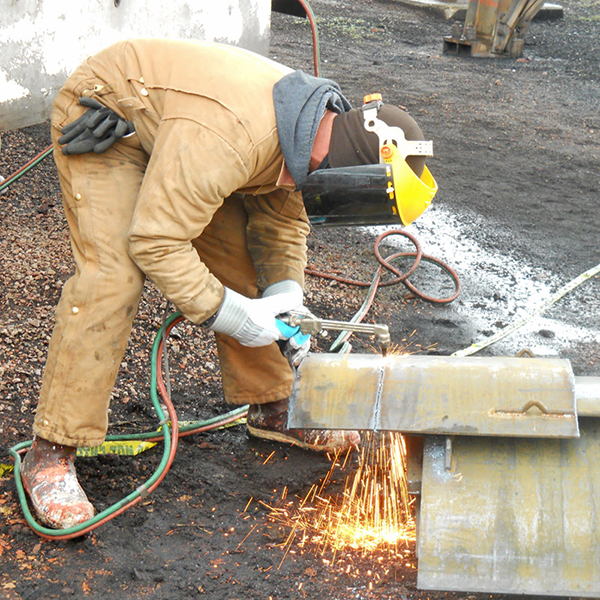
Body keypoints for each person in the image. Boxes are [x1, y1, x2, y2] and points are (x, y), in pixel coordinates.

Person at [19, 39, 437, 530]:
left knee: (239, 257)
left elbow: (280, 228)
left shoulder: (310, 135)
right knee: (115, 276)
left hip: (186, 135)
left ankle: (270, 406)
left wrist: (285, 295)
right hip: (108, 116)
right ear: (346, 162)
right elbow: (156, 241)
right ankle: (51, 450)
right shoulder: (238, 137)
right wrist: (233, 315)